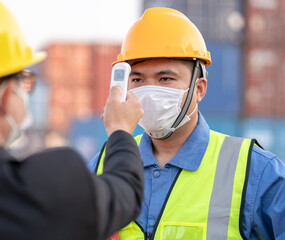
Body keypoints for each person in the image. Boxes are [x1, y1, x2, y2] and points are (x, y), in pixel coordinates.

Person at [0, 0, 145, 239]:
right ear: (5, 96)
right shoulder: (53, 186)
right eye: (23, 82)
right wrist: (120, 130)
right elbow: (126, 192)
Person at [89, 8, 285, 240]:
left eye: (165, 79)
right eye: (138, 79)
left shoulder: (255, 171)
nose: (150, 92)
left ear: (199, 89)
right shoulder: (101, 165)